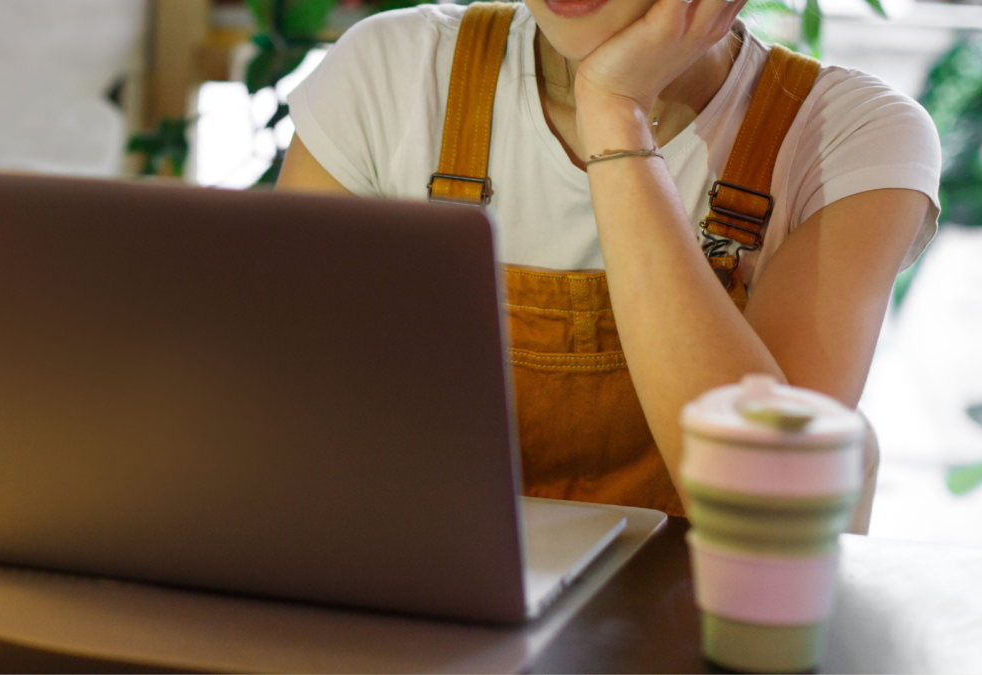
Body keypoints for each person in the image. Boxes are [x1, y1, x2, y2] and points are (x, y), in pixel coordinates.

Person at [275, 0, 940, 528]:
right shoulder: (391, 70)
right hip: (426, 605)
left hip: (693, 627)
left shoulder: (851, 135)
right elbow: (281, 419)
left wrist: (615, 114)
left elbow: (771, 494)